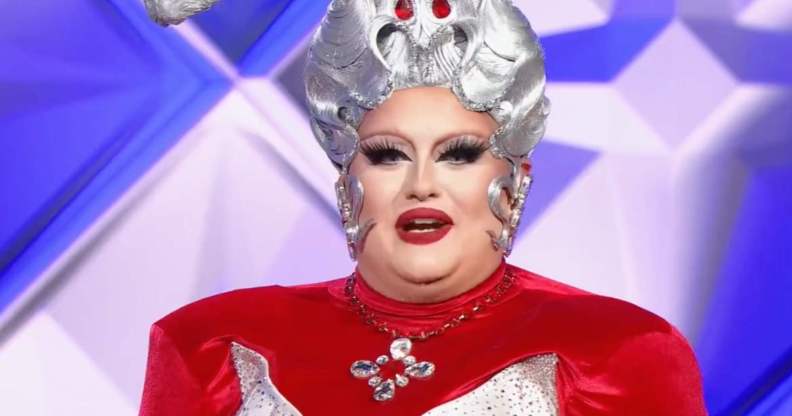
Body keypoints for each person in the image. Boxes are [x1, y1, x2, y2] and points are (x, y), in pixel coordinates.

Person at [139, 1, 708, 415]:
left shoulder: (615, 351)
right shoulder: (217, 344)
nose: (421, 185)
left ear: (514, 182)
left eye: (458, 154)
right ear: (348, 180)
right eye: (388, 156)